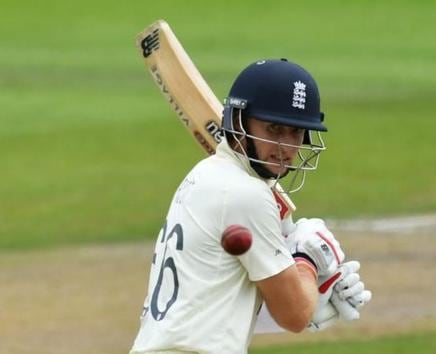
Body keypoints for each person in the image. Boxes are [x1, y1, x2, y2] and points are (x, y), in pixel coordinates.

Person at [130, 59, 371, 354]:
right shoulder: (247, 195)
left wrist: (314, 287)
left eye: (295, 133)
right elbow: (293, 315)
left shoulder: (204, 175)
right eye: (273, 128)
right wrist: (307, 261)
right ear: (239, 122)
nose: (286, 147)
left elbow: (222, 297)